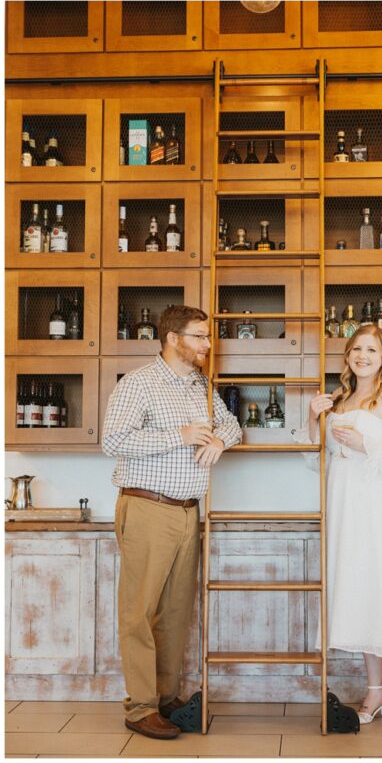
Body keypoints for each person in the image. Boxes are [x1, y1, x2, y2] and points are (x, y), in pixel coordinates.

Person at [102, 305, 241, 739]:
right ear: (173, 338)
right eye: (199, 336)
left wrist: (220, 438)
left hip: (187, 512)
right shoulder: (139, 384)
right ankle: (140, 707)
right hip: (147, 508)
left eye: (207, 336)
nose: (207, 344)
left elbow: (233, 424)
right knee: (139, 612)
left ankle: (164, 698)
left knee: (176, 612)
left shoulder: (201, 384)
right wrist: (179, 436)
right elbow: (112, 441)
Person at [298, 324, 382, 725]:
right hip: (346, 507)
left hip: (378, 509)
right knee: (359, 592)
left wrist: (367, 445)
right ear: (347, 356)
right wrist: (313, 418)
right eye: (356, 348)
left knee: (378, 589)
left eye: (371, 350)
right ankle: (377, 688)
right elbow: (316, 460)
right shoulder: (340, 399)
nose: (363, 356)